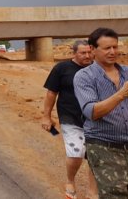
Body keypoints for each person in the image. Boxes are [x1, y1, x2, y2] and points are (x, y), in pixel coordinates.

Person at [74, 28, 128, 198]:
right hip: (104, 145)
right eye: (107, 48)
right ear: (92, 49)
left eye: (115, 47)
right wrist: (121, 94)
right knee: (115, 194)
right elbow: (91, 111)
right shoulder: (84, 77)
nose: (113, 52)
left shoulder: (126, 72)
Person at [41, 40, 98, 199]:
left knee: (94, 155)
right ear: (74, 53)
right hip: (70, 117)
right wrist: (46, 116)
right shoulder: (62, 68)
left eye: (89, 52)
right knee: (76, 152)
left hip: (95, 119)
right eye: (83, 53)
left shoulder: (97, 69)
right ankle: (70, 181)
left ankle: (92, 193)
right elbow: (51, 93)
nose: (87, 56)